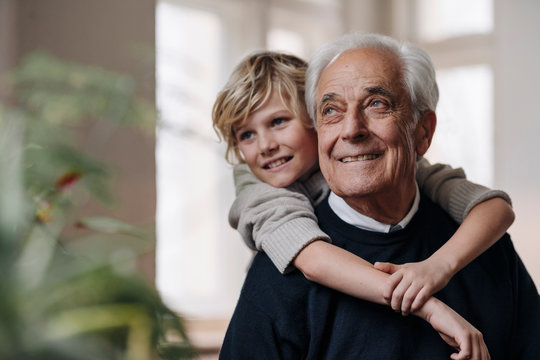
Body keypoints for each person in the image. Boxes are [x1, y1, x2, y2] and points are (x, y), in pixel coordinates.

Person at [219, 34, 540, 359]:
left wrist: (439, 266)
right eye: (332, 110)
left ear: (423, 132)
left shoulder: (481, 243)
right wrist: (427, 305)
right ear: (321, 129)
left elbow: (495, 206)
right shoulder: (280, 254)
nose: (351, 129)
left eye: (376, 104)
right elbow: (313, 262)